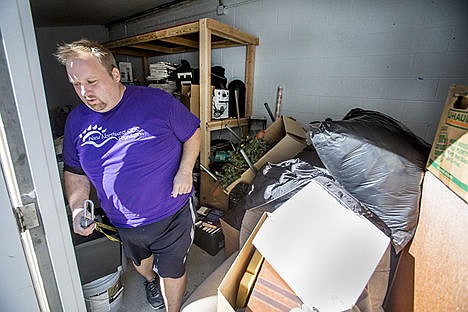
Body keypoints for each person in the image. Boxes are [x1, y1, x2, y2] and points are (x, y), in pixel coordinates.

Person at [55, 39, 201, 311]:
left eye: (91, 81)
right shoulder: (76, 120)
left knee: (172, 270)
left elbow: (193, 133)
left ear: (115, 74)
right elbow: (75, 173)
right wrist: (77, 209)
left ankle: (173, 308)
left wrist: (185, 170)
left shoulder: (157, 102)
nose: (85, 92)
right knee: (142, 265)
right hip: (123, 221)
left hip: (172, 212)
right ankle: (150, 280)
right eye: (76, 84)